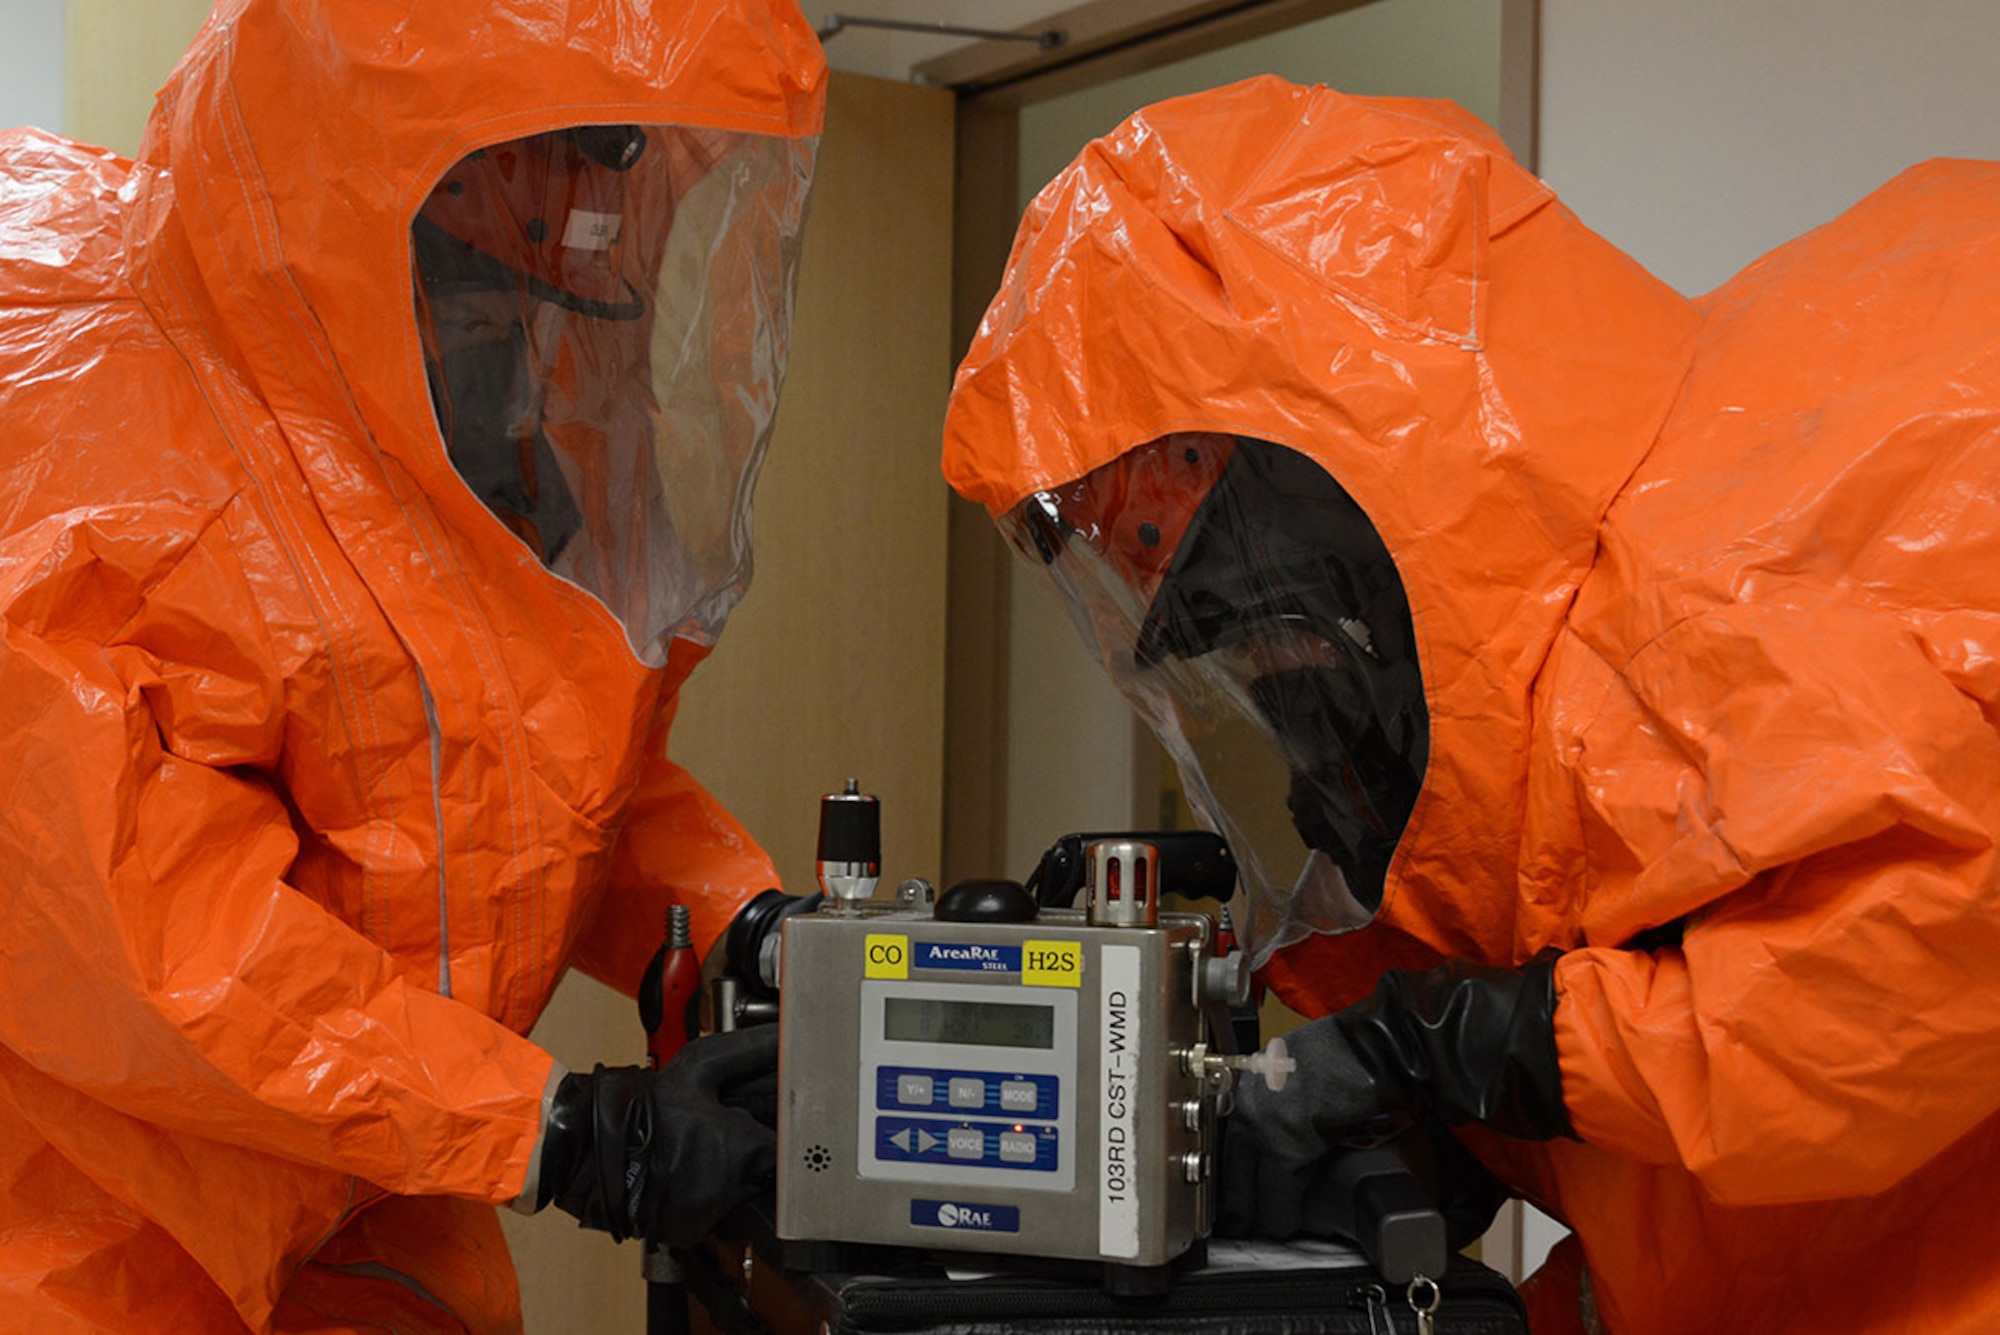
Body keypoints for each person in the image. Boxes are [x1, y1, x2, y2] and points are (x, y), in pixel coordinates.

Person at [941, 75, 2000, 1334]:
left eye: (1158, 506)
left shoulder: (1705, 594)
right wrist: (1443, 1134)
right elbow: (1721, 1217)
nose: (1158, 587)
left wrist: (1454, 1047)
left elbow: (1884, 995)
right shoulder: (1508, 718)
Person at [0, 1, 824, 1329]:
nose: (595, 193)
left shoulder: (452, 368)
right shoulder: (104, 456)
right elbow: (160, 942)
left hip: (368, 1199)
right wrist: (556, 1125)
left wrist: (748, 922)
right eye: (573, 143)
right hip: (94, 1235)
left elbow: (522, 755)